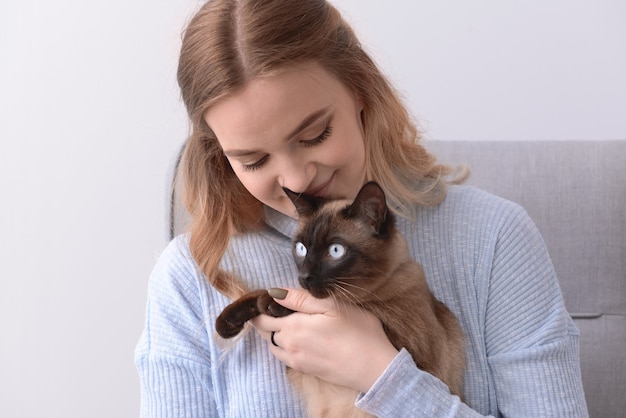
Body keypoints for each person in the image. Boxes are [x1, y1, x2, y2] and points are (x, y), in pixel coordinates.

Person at [135, 0, 589, 416]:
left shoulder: (494, 238)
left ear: (360, 91)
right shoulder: (187, 280)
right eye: (253, 160)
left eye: (314, 135)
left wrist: (385, 377)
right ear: (222, 157)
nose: (295, 180)